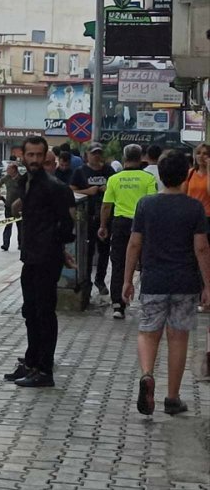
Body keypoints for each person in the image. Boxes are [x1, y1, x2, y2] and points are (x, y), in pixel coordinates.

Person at [123, 150, 210, 416]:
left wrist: (127, 280)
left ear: (159, 175)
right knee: (178, 338)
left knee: (148, 333)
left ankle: (148, 374)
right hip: (185, 282)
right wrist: (208, 284)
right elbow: (202, 249)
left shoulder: (145, 205)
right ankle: (172, 398)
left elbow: (135, 243)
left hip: (153, 280)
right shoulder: (194, 207)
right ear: (185, 174)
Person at [3, 135, 76, 388]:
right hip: (30, 256)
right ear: (22, 156)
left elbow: (68, 225)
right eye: (29, 155)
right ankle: (32, 361)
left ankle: (45, 370)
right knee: (30, 312)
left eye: (38, 155)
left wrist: (58, 249)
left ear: (45, 156)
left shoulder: (55, 187)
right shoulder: (25, 183)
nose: (34, 160)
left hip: (46, 257)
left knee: (44, 313)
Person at [100, 144, 157, 319]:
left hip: (121, 224)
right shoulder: (147, 178)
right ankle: (147, 300)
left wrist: (103, 226)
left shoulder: (114, 179)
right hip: (142, 224)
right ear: (141, 158)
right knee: (146, 263)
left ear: (124, 158)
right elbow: (151, 203)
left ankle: (118, 304)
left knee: (119, 263)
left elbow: (106, 205)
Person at [71, 143, 116, 300]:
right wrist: (87, 191)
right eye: (93, 153)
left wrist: (108, 189)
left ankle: (100, 280)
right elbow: (71, 189)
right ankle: (87, 282)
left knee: (104, 251)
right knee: (88, 251)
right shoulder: (80, 171)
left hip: (105, 216)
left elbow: (115, 188)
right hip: (86, 217)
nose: (96, 156)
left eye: (99, 153)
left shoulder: (108, 170)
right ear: (87, 155)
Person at [0, 162, 22, 252]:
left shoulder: (21, 179)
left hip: (19, 207)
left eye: (9, 169)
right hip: (8, 205)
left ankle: (21, 244)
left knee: (20, 226)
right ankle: (5, 244)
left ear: (14, 170)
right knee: (8, 225)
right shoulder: (7, 178)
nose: (7, 171)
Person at [183, 143, 210, 225]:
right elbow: (183, 194)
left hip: (207, 216)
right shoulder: (190, 173)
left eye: (205, 154)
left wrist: (209, 171)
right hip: (191, 214)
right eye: (198, 153)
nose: (201, 156)